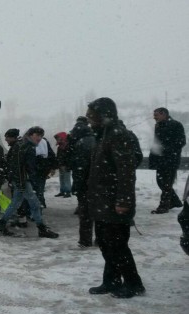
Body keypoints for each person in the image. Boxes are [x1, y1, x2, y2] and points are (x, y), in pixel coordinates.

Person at [85, 97, 145, 298]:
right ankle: (110, 280)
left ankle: (133, 283)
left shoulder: (118, 135)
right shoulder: (103, 135)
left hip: (114, 202)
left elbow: (126, 172)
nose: (89, 120)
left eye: (92, 116)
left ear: (104, 115)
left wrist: (123, 201)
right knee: (104, 242)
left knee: (117, 245)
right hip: (102, 201)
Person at [0, 127, 59, 238]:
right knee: (35, 204)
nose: (39, 137)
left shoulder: (24, 145)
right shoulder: (24, 146)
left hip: (21, 180)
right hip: (22, 181)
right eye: (37, 135)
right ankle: (41, 229)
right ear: (31, 134)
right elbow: (18, 167)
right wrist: (21, 183)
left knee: (15, 203)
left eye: (41, 135)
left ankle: (1, 224)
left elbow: (23, 166)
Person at [149, 107, 186, 214]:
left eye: (156, 115)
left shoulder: (176, 125)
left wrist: (166, 149)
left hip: (171, 160)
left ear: (163, 114)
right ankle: (175, 201)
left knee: (166, 184)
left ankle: (164, 206)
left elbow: (181, 142)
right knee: (161, 182)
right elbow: (156, 142)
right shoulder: (158, 126)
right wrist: (154, 153)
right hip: (161, 160)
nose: (154, 117)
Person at [69, 116, 96, 248]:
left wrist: (77, 185)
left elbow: (80, 168)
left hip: (85, 184)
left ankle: (85, 240)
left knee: (85, 214)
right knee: (99, 212)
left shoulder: (81, 144)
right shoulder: (97, 139)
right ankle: (101, 239)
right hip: (99, 184)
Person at [33, 128, 57, 208]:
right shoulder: (44, 143)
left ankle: (39, 205)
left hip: (38, 170)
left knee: (37, 190)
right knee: (39, 189)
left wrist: (53, 167)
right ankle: (40, 204)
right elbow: (52, 156)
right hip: (41, 170)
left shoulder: (34, 143)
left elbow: (51, 156)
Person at [53, 132, 72, 198]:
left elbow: (69, 157)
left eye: (58, 138)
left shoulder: (68, 146)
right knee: (62, 178)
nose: (57, 140)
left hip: (66, 166)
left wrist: (67, 165)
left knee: (66, 178)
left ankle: (68, 192)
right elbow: (58, 157)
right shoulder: (60, 147)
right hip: (61, 166)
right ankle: (62, 191)